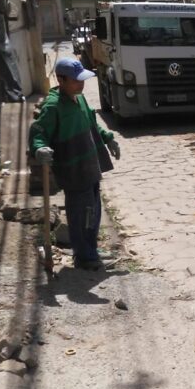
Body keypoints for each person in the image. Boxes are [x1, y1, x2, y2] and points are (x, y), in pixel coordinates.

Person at [29, 58, 120, 271]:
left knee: (94, 212)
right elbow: (38, 132)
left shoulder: (80, 99)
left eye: (82, 80)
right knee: (82, 215)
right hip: (73, 171)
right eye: (76, 80)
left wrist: (108, 138)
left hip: (90, 166)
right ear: (60, 80)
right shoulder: (53, 106)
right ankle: (84, 257)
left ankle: (91, 250)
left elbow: (92, 123)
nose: (81, 84)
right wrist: (39, 148)